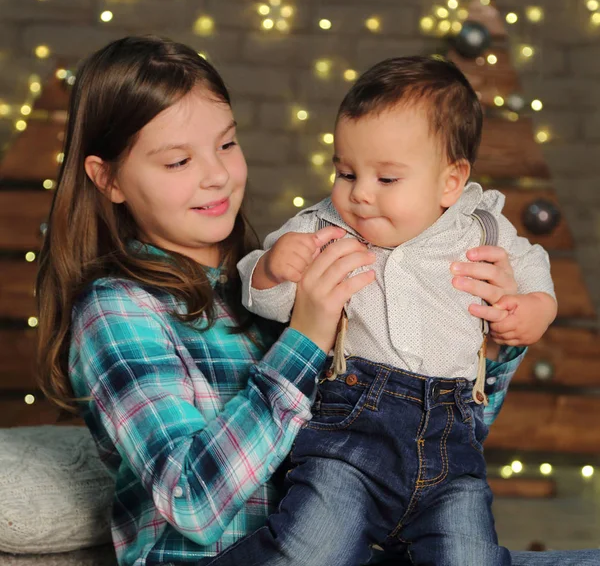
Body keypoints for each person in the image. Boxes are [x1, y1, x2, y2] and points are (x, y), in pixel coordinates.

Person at [34, 37, 598, 566]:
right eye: (178, 162)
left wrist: (489, 340)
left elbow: (427, 448)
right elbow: (192, 504)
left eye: (227, 144)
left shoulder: (271, 276)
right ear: (107, 179)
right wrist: (306, 336)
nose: (216, 176)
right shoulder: (117, 311)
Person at [209, 57, 559, 566]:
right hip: (350, 436)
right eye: (345, 172)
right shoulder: (324, 227)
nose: (361, 194)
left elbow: (533, 268)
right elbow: (267, 301)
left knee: (470, 557)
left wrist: (533, 310)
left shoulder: (481, 227)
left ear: (450, 182)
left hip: (452, 445)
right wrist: (271, 269)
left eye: (387, 178)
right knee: (312, 547)